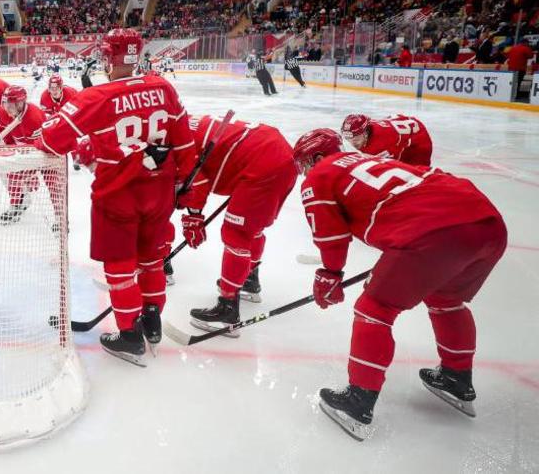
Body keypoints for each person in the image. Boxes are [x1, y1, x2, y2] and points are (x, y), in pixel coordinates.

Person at [292, 129, 506, 441]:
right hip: (488, 223)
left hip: (435, 231)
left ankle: (357, 402)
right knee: (446, 300)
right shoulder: (368, 161)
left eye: (304, 165)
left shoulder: (320, 175)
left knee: (374, 308)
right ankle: (457, 378)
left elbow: (330, 235)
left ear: (317, 157)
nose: (304, 174)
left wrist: (330, 274)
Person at [37, 28, 198, 366]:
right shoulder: (162, 87)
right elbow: (184, 141)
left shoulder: (96, 97)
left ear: (108, 57)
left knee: (121, 266)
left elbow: (51, 141)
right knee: (152, 259)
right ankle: (151, 322)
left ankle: (129, 336)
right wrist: (186, 186)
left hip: (118, 194)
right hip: (159, 192)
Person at [176, 116, 297, 332]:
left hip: (262, 164)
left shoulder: (173, 142)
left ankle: (227, 309)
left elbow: (198, 181)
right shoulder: (181, 124)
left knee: (236, 232)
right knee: (252, 228)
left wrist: (194, 217)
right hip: (274, 153)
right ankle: (248, 279)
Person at [0, 85, 58, 227]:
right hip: (22, 149)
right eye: (5, 104)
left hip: (46, 152)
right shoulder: (1, 112)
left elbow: (38, 149)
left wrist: (31, 174)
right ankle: (17, 203)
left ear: (20, 103)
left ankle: (60, 216)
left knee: (53, 185)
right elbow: (2, 137)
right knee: (12, 172)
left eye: (11, 105)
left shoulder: (34, 117)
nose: (7, 108)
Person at [340, 114, 433, 167]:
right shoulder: (366, 130)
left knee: (416, 175)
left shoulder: (381, 143)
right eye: (348, 139)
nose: (352, 143)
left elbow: (392, 167)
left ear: (365, 133)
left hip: (419, 140)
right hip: (400, 127)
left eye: (356, 138)